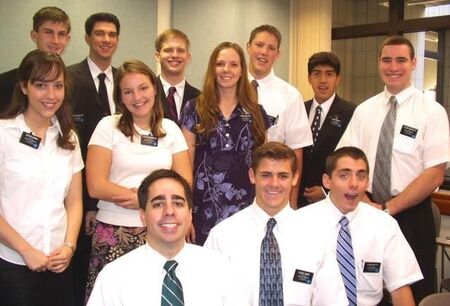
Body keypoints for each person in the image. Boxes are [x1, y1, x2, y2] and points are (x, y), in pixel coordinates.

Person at [337, 35, 450, 303]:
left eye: (401, 60)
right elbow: (345, 158)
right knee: (365, 287)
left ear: (413, 63)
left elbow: (434, 172)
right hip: (365, 211)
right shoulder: (365, 110)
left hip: (412, 217)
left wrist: (389, 209)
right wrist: (363, 199)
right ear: (379, 63)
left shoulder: (431, 112)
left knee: (412, 290)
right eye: (387, 60)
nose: (393, 66)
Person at [84, 60, 192, 300]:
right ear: (120, 97)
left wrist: (145, 201)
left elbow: (184, 183)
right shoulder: (107, 127)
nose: (137, 97)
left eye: (143, 88)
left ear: (154, 88)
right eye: (128, 91)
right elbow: (95, 184)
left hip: (164, 229)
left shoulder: (171, 129)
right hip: (113, 232)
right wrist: (142, 199)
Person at [205, 142, 347, 305]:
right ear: (252, 175)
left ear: (295, 178)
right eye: (266, 175)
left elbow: (332, 301)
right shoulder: (223, 237)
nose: (274, 183)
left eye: (283, 176)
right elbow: (207, 298)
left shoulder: (316, 237)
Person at [87, 169, 244, 306]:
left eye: (178, 203)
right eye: (158, 204)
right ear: (142, 216)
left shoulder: (220, 270)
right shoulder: (114, 278)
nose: (169, 211)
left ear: (190, 215)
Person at [0, 50, 83, 306]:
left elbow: (74, 201)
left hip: (59, 264)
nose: (51, 95)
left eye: (57, 86)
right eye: (41, 85)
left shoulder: (68, 137)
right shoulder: (4, 134)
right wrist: (26, 250)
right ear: (24, 87)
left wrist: (69, 246)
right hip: (12, 264)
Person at [297, 146, 422, 305]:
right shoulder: (299, 224)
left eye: (361, 176)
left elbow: (400, 290)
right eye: (344, 176)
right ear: (327, 181)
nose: (354, 183)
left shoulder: (384, 225)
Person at [180, 41, 269, 245]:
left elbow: (264, 166)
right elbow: (185, 166)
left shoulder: (257, 112)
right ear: (213, 69)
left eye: (233, 64)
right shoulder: (194, 109)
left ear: (241, 71)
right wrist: (185, 211)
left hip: (247, 208)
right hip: (203, 209)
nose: (226, 70)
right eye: (220, 64)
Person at [66, 12, 120, 306]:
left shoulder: (127, 80)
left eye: (112, 35)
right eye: (100, 34)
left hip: (116, 195)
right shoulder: (67, 79)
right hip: (80, 192)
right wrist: (88, 204)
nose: (106, 40)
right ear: (88, 38)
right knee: (83, 269)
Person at [247, 24, 312, 206]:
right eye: (259, 45)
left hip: (272, 188)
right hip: (232, 186)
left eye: (271, 48)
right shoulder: (229, 89)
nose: (264, 52)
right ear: (248, 47)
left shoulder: (290, 96)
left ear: (278, 54)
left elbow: (296, 152)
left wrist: (292, 199)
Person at [298, 52, 355, 207]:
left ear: (338, 79)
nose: (323, 80)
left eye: (329, 74)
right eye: (317, 74)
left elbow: (351, 160)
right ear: (309, 78)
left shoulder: (352, 112)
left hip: (333, 199)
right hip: (298, 197)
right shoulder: (299, 109)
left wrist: (326, 190)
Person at [0, 6, 71, 113]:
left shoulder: (76, 83)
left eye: (61, 34)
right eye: (48, 32)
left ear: (68, 39)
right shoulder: (5, 83)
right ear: (34, 36)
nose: (56, 41)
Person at [154, 28, 200, 123]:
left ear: (188, 57)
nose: (175, 55)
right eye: (168, 50)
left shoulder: (200, 99)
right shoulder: (145, 94)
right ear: (157, 56)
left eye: (180, 50)